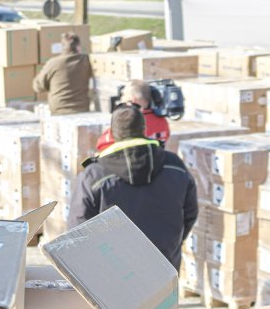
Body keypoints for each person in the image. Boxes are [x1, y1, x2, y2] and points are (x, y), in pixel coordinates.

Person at [70, 103, 198, 269]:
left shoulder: (94, 175)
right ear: (144, 129)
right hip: (164, 265)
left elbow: (78, 230)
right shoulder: (174, 165)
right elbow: (190, 213)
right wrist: (171, 244)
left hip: (113, 271)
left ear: (112, 134)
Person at [95, 79, 170, 151]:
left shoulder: (126, 120)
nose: (121, 98)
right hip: (155, 158)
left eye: (123, 95)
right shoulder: (162, 121)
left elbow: (102, 145)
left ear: (132, 99)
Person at [33, 31, 92, 115]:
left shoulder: (53, 63)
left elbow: (38, 86)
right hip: (83, 111)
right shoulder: (86, 60)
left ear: (62, 47)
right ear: (78, 47)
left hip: (59, 112)